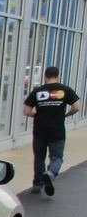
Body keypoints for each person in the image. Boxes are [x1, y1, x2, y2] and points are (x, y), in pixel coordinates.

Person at [23, 66, 81, 196]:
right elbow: (77, 107)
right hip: (57, 130)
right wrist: (67, 114)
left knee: (39, 158)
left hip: (39, 130)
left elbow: (26, 111)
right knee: (57, 157)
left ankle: (37, 185)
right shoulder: (65, 90)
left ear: (45, 76)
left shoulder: (37, 91)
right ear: (58, 76)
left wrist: (37, 115)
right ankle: (51, 173)